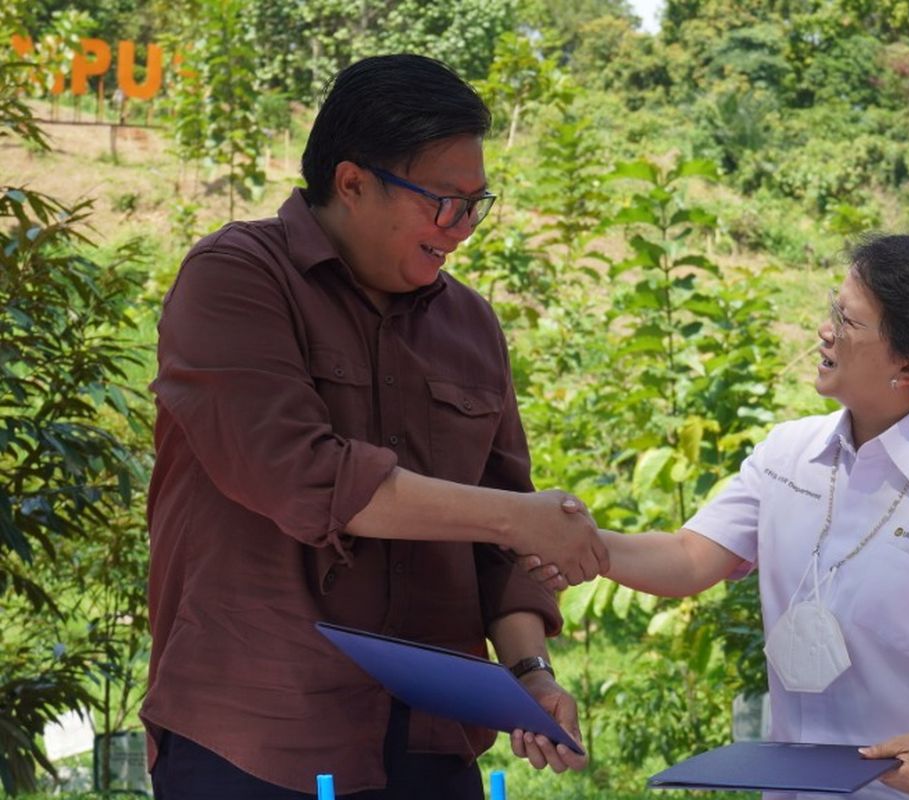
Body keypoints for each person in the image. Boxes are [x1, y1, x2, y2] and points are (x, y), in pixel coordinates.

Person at [141, 54, 606, 800]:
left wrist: (531, 674)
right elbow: (304, 475)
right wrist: (520, 517)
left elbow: (502, 547)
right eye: (442, 202)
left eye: (476, 203)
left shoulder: (471, 325)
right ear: (352, 182)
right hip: (258, 737)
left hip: (430, 741)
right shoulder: (234, 278)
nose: (460, 230)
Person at [524, 234, 909, 798]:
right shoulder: (790, 453)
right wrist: (585, 544)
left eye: (848, 319)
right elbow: (691, 557)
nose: (825, 329)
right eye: (832, 308)